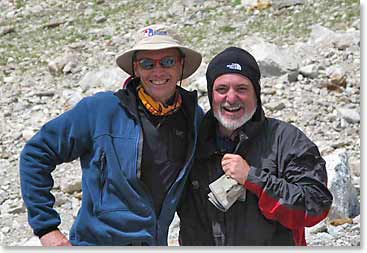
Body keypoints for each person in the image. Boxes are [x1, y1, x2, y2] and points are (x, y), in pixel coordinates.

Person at [19, 24, 203, 246]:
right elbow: (36, 153)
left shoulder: (193, 116)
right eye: (147, 63)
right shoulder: (102, 109)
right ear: (136, 68)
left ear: (181, 65)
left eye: (168, 61)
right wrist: (47, 228)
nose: (158, 71)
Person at [177, 47, 333, 246]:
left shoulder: (287, 140)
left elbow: (315, 206)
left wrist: (254, 179)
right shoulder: (191, 142)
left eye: (241, 89)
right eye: (221, 89)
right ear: (210, 94)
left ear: (256, 93)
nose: (231, 98)